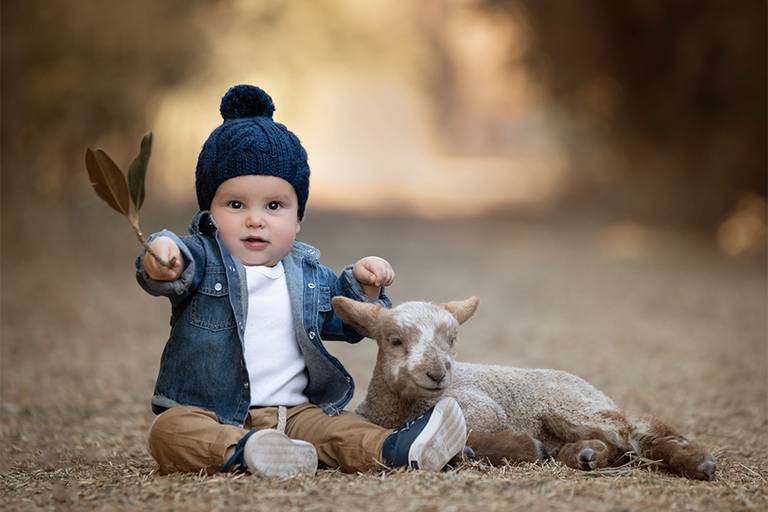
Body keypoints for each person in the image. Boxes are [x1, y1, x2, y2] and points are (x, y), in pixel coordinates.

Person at [136, 84, 467, 476]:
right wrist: (162, 257)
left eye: (274, 206)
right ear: (210, 212)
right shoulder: (203, 260)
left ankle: (398, 449)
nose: (255, 219)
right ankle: (247, 451)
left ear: (298, 219)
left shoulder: (307, 275)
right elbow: (171, 265)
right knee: (168, 431)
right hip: (215, 416)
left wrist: (365, 285)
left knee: (343, 428)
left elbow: (349, 319)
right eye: (235, 204)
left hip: (296, 415)